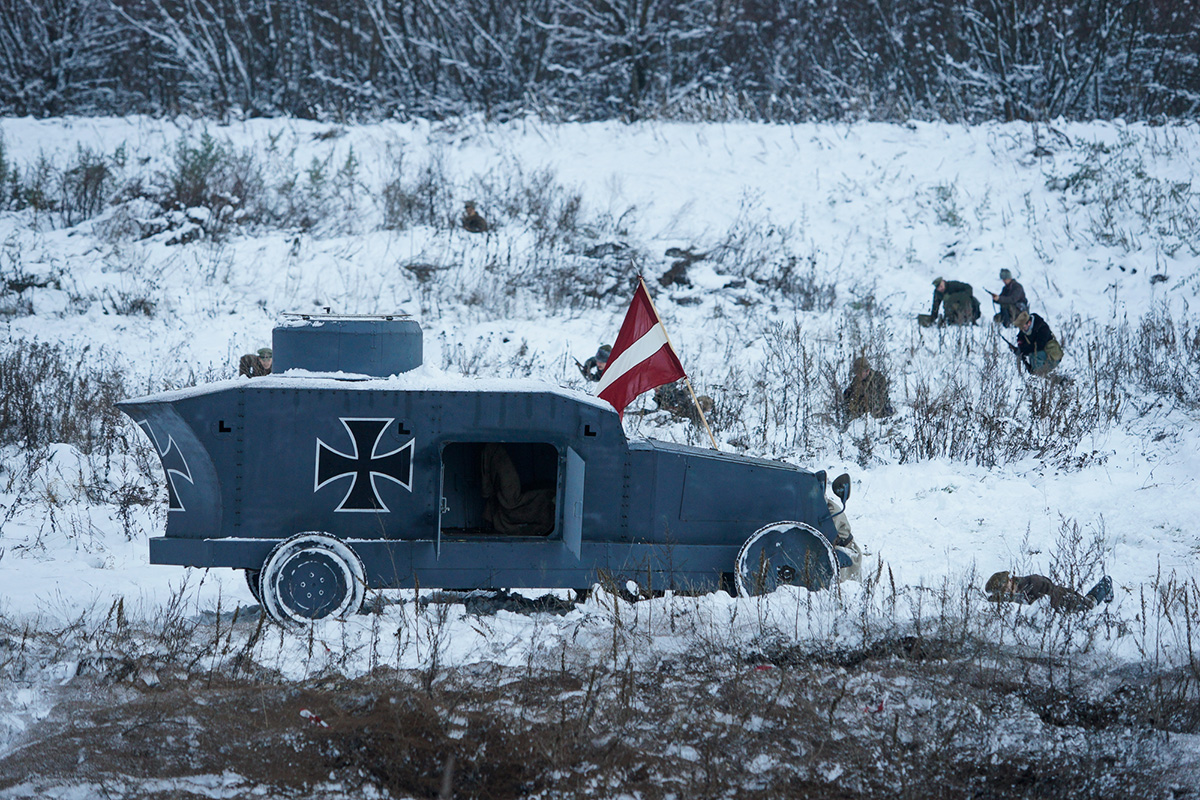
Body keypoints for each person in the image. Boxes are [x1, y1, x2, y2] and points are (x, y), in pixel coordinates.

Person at [985, 571, 1113, 611]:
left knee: (1090, 604)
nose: (1007, 591)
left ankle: (1107, 583)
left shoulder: (1032, 582)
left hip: (1068, 600)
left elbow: (1045, 593)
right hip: (1061, 602)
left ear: (1010, 581)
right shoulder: (1018, 590)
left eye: (1006, 588)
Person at [842, 356, 894, 420]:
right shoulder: (856, 380)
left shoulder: (879, 379)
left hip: (878, 417)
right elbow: (848, 397)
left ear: (868, 371)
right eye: (856, 372)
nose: (857, 375)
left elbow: (878, 402)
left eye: (860, 372)